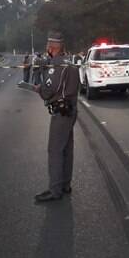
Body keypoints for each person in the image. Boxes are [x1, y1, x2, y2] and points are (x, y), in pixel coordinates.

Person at [34, 31, 80, 203]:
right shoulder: (71, 63)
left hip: (61, 112)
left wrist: (39, 88)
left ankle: (55, 190)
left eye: (48, 46)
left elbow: (48, 91)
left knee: (55, 150)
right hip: (71, 109)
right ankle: (65, 185)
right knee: (67, 149)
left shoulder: (55, 65)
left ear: (51, 48)